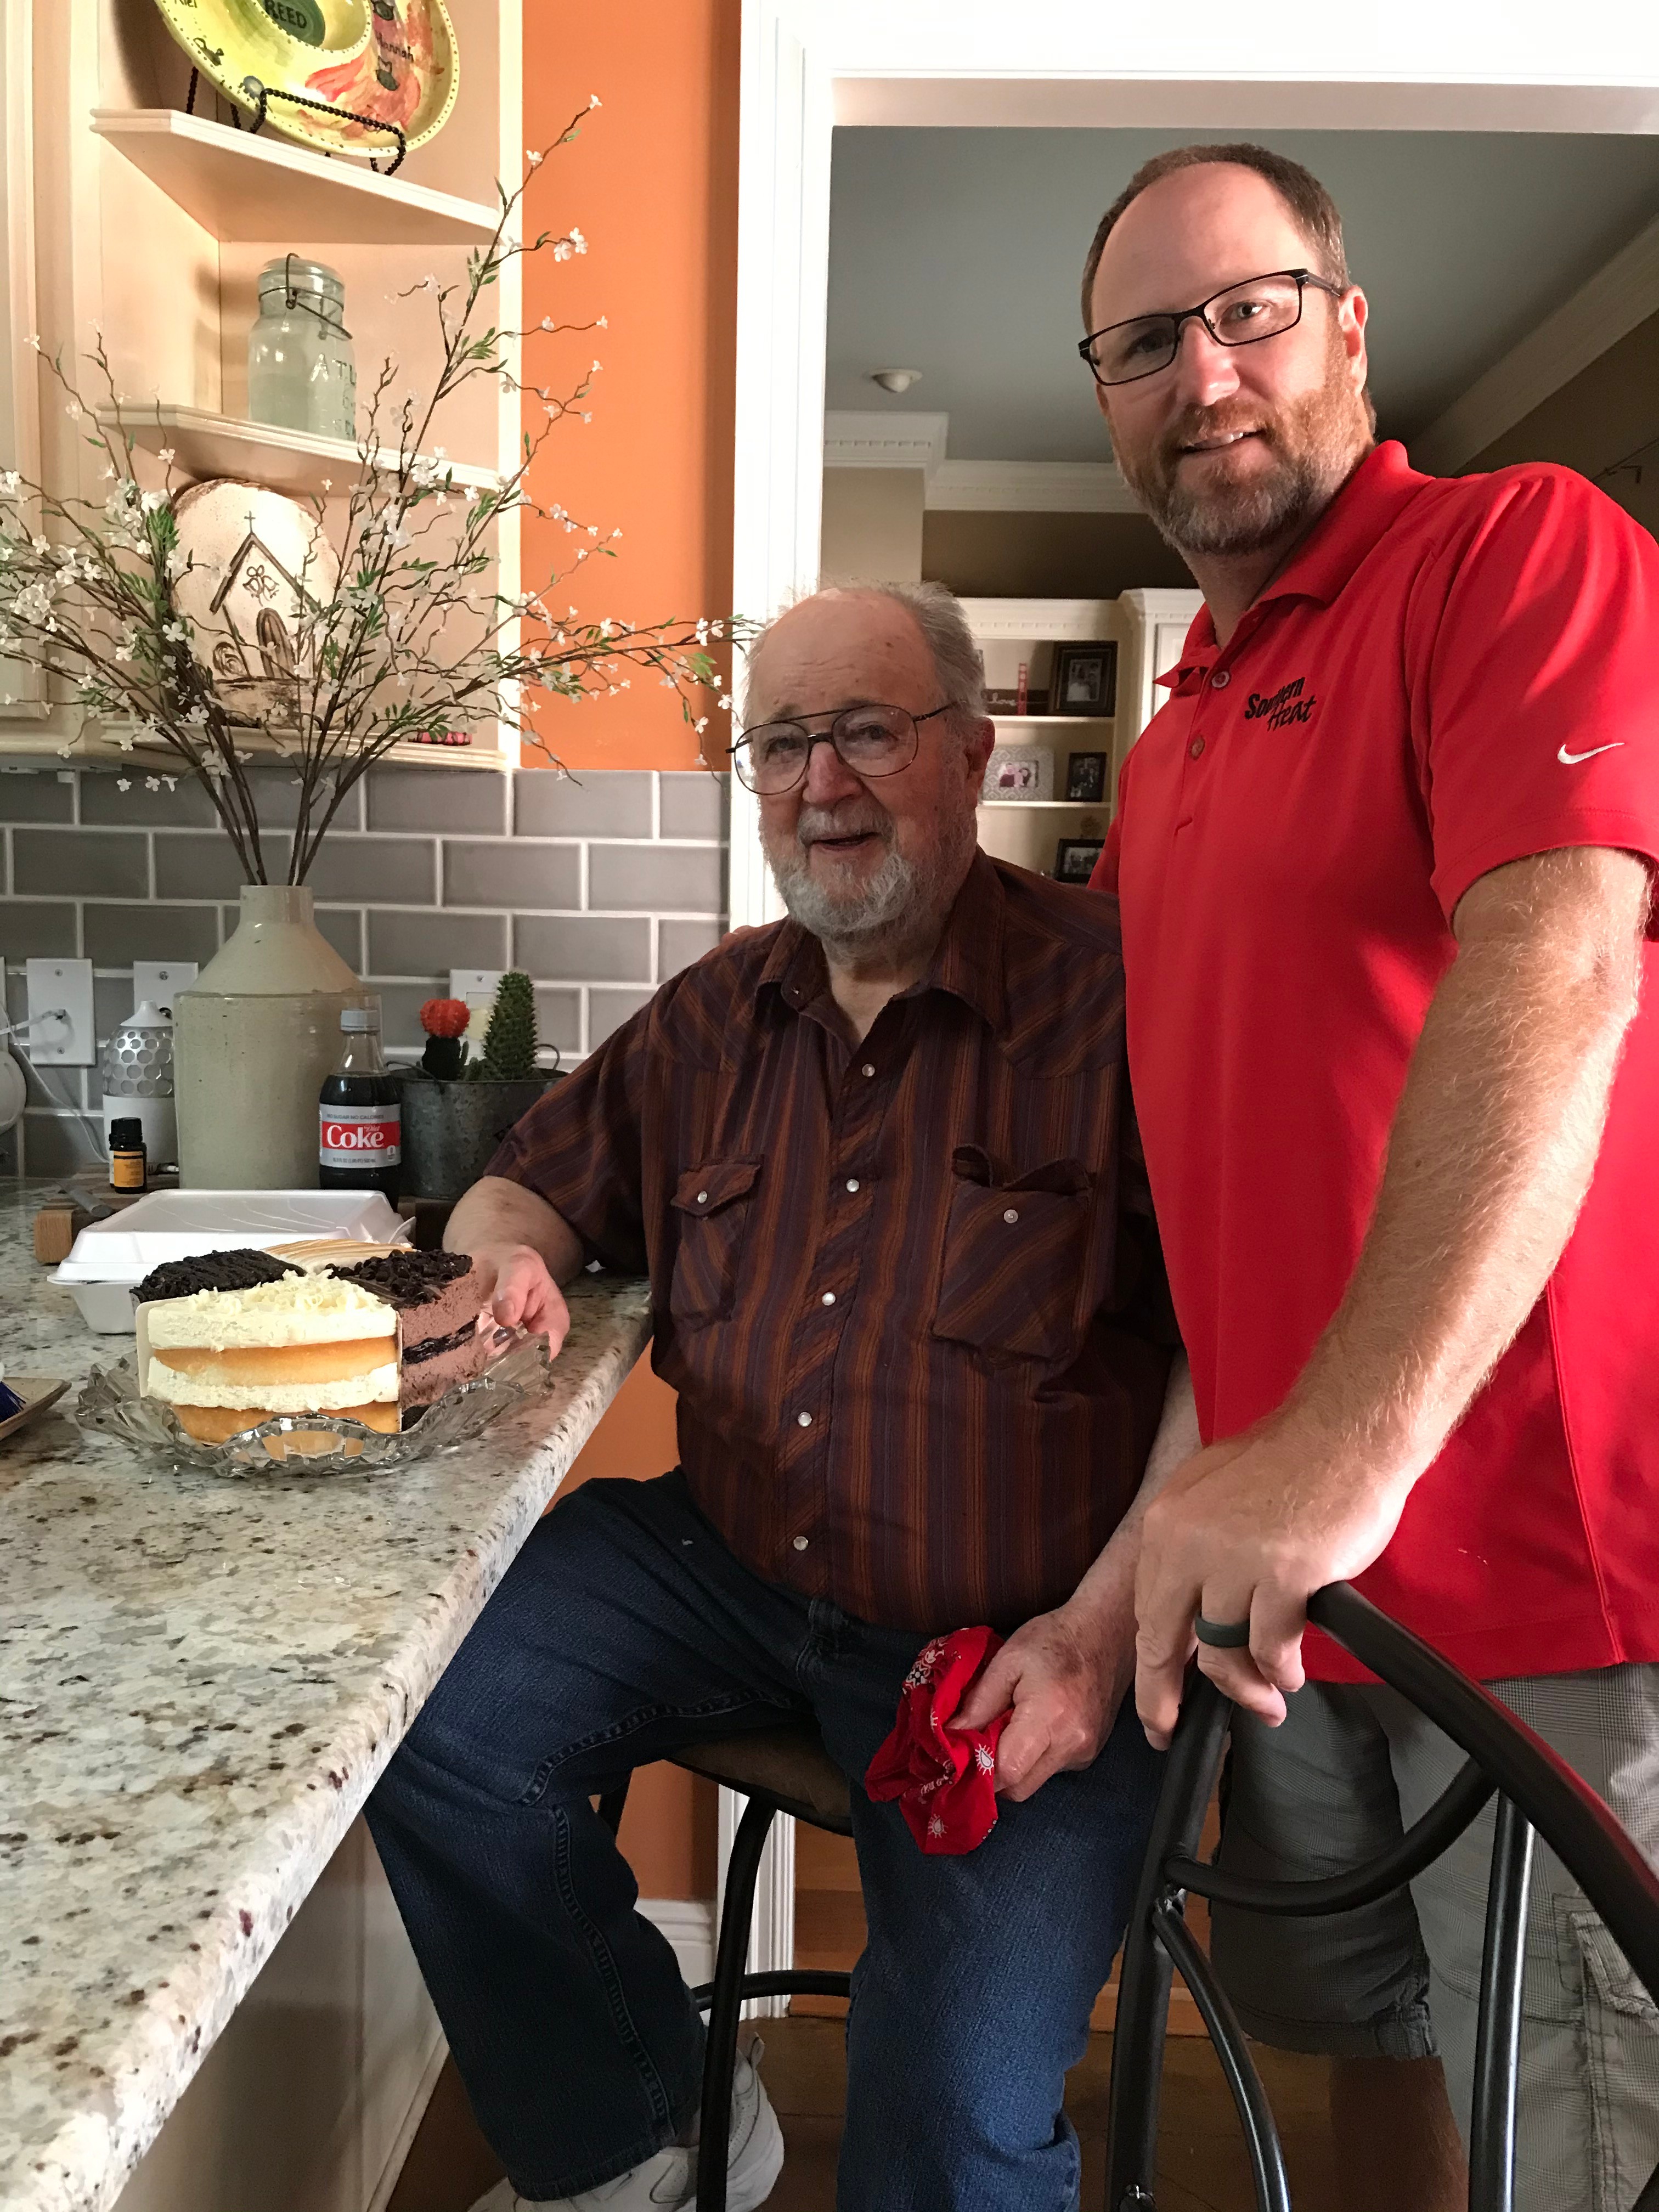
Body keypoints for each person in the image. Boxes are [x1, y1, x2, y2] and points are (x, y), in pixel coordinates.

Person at [364, 578, 1188, 2212]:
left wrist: (1101, 1633)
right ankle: (644, 2131)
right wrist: (510, 1254)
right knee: (420, 1719)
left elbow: (1238, 1361)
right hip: (726, 1566)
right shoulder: (714, 1015)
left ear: (975, 753)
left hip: (1020, 1635)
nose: (822, 784)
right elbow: (524, 1187)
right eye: (782, 745)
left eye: (867, 732)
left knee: (947, 2105)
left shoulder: (1128, 1005)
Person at [1080, 141, 1659, 2211]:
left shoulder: (1514, 550)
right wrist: (1182, 1513)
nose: (1203, 372)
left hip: (1533, 1563)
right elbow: (1217, 1176)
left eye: (1247, 311)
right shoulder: (1172, 739)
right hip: (1281, 1569)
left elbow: (1561, 961)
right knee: (1367, 2050)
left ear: (1346, 323)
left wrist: (1340, 1449)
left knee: (1577, 2128)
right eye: (1143, 342)